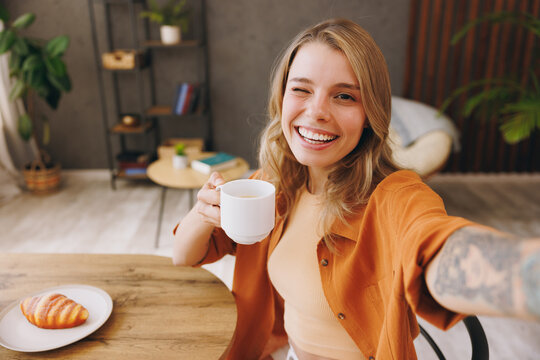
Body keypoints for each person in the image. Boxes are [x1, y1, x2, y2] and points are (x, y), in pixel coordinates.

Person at [172, 18, 540, 360]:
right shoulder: (273, 183)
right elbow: (184, 258)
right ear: (282, 98)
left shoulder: (394, 196)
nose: (317, 111)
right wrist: (202, 214)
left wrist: (526, 275)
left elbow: (434, 248)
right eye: (301, 89)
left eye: (345, 96)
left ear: (370, 114)